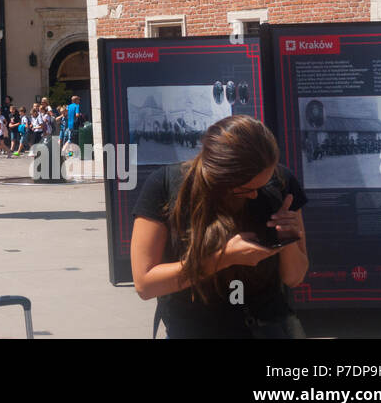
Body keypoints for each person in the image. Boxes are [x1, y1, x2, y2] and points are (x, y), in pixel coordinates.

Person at [131, 116, 309, 338]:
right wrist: (224, 258)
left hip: (266, 327)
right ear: (219, 178)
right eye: (246, 189)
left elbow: (295, 277)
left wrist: (288, 239)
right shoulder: (165, 185)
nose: (256, 195)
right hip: (194, 329)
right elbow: (145, 285)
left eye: (263, 184)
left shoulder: (281, 182)